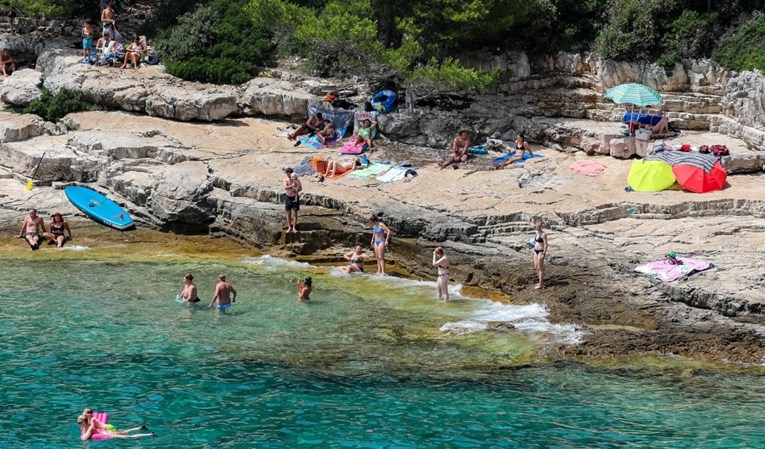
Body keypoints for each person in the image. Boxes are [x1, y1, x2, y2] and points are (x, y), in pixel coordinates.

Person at [78, 408, 155, 440]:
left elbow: (84, 438)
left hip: (108, 431)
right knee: (124, 432)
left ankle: (150, 434)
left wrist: (82, 435)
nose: (79, 424)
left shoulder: (90, 424)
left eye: (80, 423)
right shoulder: (87, 424)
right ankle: (139, 428)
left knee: (129, 437)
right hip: (106, 431)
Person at [532, 218, 548, 289]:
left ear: (541, 226)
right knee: (536, 266)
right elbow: (535, 242)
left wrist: (544, 254)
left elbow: (546, 244)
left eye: (539, 227)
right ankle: (539, 281)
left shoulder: (543, 234)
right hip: (535, 250)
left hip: (541, 251)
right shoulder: (536, 232)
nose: (537, 228)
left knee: (540, 267)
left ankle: (541, 284)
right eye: (536, 227)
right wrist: (533, 249)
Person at [283, 168, 301, 233]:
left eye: (289, 174)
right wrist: (292, 186)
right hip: (288, 197)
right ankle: (289, 227)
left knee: (295, 212)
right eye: (287, 174)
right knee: (288, 212)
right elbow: (285, 187)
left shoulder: (297, 180)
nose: (288, 175)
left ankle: (294, 227)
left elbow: (300, 188)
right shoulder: (285, 179)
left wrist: (296, 189)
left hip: (295, 196)